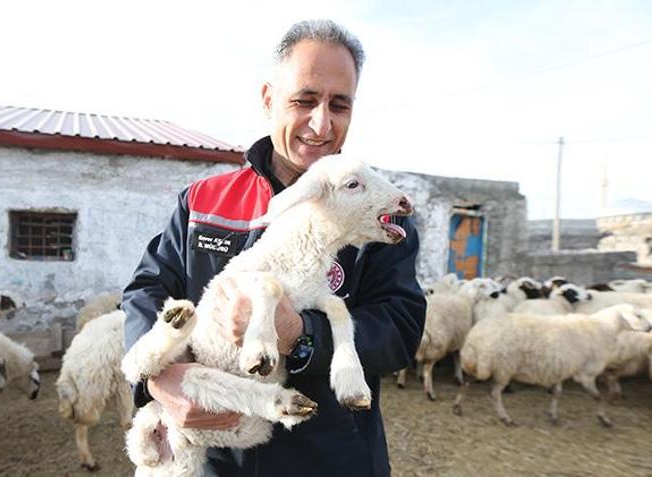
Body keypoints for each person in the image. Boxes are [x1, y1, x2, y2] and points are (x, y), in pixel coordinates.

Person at [122, 19, 426, 477]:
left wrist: (301, 336)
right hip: (216, 460)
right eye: (304, 100)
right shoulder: (203, 202)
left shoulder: (376, 217)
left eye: (339, 105)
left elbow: (399, 331)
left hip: (330, 461)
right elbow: (146, 290)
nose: (321, 123)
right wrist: (158, 378)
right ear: (269, 99)